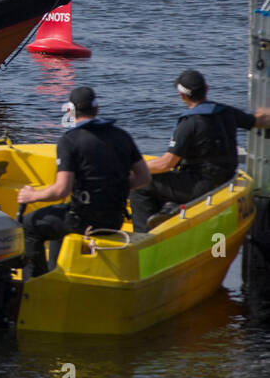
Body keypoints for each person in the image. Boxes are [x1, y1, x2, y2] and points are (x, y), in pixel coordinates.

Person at [17, 86, 150, 277]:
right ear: (96, 109)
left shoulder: (70, 140)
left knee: (30, 225)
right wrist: (114, 186)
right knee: (57, 220)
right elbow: (144, 177)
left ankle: (33, 286)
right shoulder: (121, 135)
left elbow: (62, 190)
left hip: (84, 221)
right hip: (114, 220)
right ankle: (57, 272)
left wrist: (32, 195)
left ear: (70, 111)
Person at [129, 70, 270, 231]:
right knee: (167, 179)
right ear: (206, 88)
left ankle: (143, 235)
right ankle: (168, 212)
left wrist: (133, 170)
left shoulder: (189, 123)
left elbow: (166, 164)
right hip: (226, 178)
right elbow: (259, 120)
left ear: (182, 96)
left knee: (143, 184)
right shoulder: (225, 111)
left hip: (201, 185)